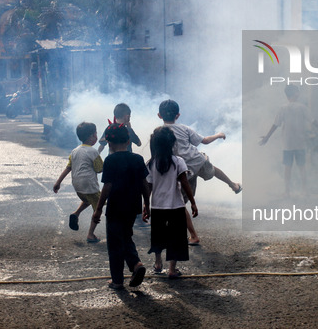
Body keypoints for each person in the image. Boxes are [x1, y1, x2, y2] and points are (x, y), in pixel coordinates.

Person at [158, 99, 242, 245]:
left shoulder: (159, 133)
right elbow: (204, 141)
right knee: (213, 170)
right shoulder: (184, 128)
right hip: (197, 161)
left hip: (182, 170)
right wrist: (218, 134)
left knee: (178, 203)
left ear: (159, 116)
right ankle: (233, 185)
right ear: (177, 115)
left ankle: (193, 235)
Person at [92, 123, 150, 290]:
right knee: (126, 236)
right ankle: (136, 264)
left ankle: (117, 280)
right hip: (133, 206)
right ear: (128, 140)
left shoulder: (110, 160)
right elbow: (144, 184)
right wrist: (147, 203)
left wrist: (98, 209)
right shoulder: (138, 159)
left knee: (115, 243)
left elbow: (107, 187)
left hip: (116, 207)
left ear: (109, 143)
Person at [144, 126, 197, 279]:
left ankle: (158, 263)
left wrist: (145, 206)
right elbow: (185, 183)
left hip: (157, 206)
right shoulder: (178, 161)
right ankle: (172, 269)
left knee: (158, 235)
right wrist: (192, 202)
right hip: (176, 206)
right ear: (172, 143)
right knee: (176, 237)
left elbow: (148, 187)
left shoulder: (151, 163)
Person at [260, 85, 318, 197]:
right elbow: (313, 121)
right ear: (295, 94)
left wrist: (267, 137)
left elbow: (275, 125)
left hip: (287, 143)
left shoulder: (283, 108)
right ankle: (304, 190)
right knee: (301, 167)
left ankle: (287, 191)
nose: (299, 93)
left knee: (287, 168)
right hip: (300, 143)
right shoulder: (302, 107)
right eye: (298, 91)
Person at [53, 122, 103, 243]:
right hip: (89, 185)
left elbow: (68, 168)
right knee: (98, 208)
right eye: (95, 134)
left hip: (78, 187)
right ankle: (91, 235)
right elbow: (99, 169)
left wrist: (58, 183)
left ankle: (76, 214)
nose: (97, 136)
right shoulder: (93, 152)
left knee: (87, 199)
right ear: (92, 136)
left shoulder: (74, 151)